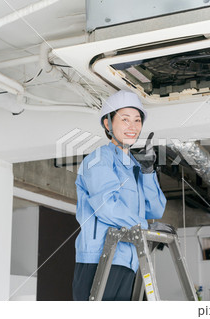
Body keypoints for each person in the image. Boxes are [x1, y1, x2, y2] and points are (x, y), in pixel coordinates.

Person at [72, 90, 167, 301]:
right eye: (125, 120)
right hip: (99, 259)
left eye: (137, 120)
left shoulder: (134, 168)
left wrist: (149, 173)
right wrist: (144, 226)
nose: (132, 127)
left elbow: (155, 209)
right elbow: (106, 206)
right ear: (108, 124)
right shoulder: (98, 160)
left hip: (130, 260)